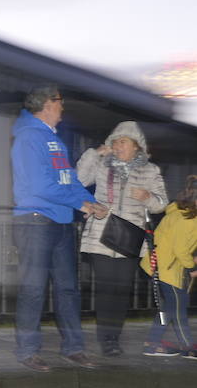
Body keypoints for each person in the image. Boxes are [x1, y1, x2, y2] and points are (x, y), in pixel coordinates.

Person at [11, 84, 107, 372]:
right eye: (60, 102)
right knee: (33, 290)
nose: (63, 108)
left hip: (61, 220)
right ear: (47, 104)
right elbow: (40, 186)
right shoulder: (29, 137)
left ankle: (74, 348)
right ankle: (28, 351)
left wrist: (90, 201)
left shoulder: (54, 139)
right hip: (36, 220)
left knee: (68, 290)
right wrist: (81, 206)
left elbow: (69, 179)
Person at [76, 121, 167, 356]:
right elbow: (79, 179)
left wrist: (147, 196)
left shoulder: (150, 170)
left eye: (123, 142)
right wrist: (95, 153)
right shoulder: (103, 165)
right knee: (107, 288)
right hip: (100, 237)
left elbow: (161, 205)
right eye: (115, 142)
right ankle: (107, 340)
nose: (118, 146)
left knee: (122, 290)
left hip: (129, 240)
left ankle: (114, 336)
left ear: (136, 146)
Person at [140, 175, 197, 359]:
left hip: (165, 266)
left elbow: (183, 245)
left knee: (168, 309)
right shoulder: (188, 219)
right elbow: (180, 248)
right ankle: (187, 346)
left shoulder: (184, 213)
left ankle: (152, 343)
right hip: (167, 269)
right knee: (179, 307)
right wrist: (191, 268)